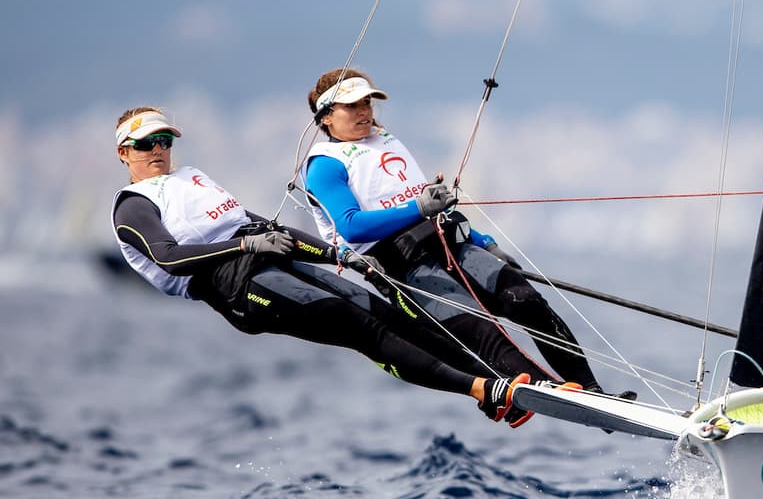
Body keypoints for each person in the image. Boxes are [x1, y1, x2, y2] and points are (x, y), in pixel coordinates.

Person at [111, 106, 576, 427]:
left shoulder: (192, 177)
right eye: (145, 143)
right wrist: (247, 248)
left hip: (264, 259)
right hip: (230, 286)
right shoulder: (132, 204)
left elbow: (261, 225)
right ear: (123, 153)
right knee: (356, 324)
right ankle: (482, 389)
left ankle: (501, 392)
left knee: (386, 312)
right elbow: (167, 258)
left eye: (164, 139)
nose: (157, 149)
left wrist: (342, 257)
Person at [301, 68, 605, 393]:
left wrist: (485, 243)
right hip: (403, 267)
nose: (364, 111)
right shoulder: (324, 165)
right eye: (352, 106)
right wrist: (418, 208)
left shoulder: (384, 140)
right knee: (482, 330)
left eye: (367, 103)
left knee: (526, 300)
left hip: (451, 244)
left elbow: (433, 204)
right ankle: (553, 392)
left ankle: (592, 390)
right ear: (326, 117)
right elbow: (351, 225)